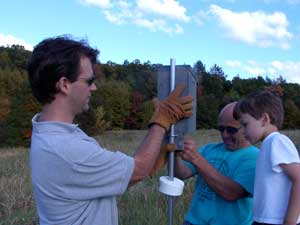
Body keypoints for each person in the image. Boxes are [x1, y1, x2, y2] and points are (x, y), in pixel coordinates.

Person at [26, 35, 193, 225]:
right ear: (64, 84)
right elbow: (137, 169)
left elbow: (100, 180)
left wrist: (153, 160)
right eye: (89, 81)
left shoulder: (51, 134)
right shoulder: (65, 148)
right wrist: (162, 119)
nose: (94, 87)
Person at [174, 102, 259, 225]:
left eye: (231, 130)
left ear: (245, 127)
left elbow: (232, 193)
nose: (224, 135)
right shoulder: (210, 149)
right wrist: (176, 154)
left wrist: (196, 159)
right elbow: (181, 173)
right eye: (221, 129)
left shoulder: (255, 157)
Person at [233, 90, 300, 225]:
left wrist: (290, 220)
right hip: (263, 220)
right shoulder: (268, 144)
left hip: (276, 221)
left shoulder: (277, 141)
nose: (242, 131)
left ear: (264, 119)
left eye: (245, 124)